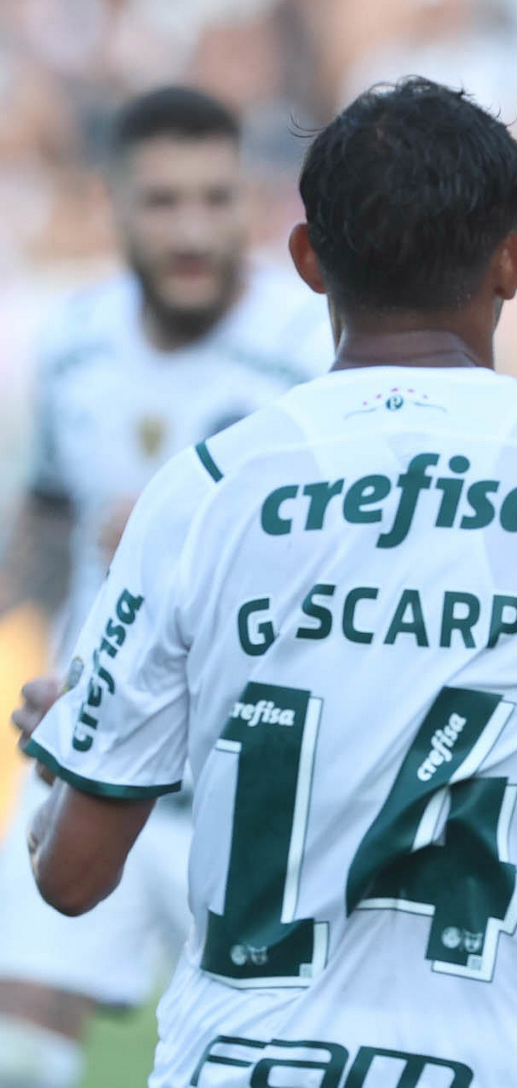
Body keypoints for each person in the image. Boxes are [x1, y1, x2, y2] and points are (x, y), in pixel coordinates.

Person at [18, 77, 517, 1088]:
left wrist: (72, 755)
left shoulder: (202, 489)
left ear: (307, 259)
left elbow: (71, 876)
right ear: (512, 260)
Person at [0, 85, 333, 1088]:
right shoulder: (73, 342)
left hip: (258, 783)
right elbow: (50, 515)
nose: (191, 231)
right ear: (111, 203)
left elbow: (353, 565)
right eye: (163, 201)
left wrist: (205, 536)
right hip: (92, 749)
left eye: (213, 199)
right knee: (19, 1048)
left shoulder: (311, 353)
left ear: (250, 203)